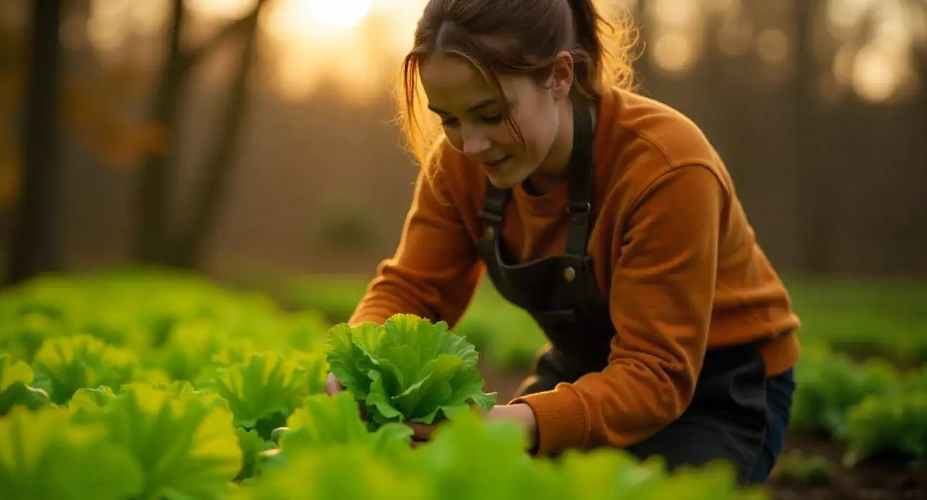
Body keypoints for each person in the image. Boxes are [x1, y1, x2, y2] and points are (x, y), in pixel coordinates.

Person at [324, 0, 800, 486]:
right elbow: (413, 288)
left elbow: (657, 373)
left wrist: (508, 425)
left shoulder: (667, 169)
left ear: (559, 76)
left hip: (718, 387)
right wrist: (360, 359)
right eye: (449, 120)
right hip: (586, 371)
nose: (471, 144)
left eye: (491, 114)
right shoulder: (459, 167)